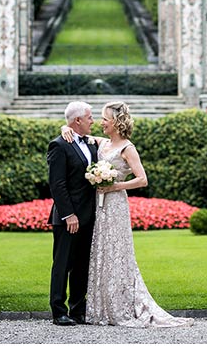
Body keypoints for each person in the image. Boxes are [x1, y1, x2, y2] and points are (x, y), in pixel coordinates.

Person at [62, 101, 193, 327]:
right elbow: (76, 132)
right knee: (100, 252)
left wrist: (115, 186)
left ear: (115, 122)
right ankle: (100, 307)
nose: (100, 122)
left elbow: (142, 179)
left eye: (104, 119)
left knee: (116, 252)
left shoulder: (127, 148)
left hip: (115, 205)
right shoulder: (102, 144)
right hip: (97, 205)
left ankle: (120, 306)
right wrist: (65, 128)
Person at [47, 101, 98, 326]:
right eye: (89, 117)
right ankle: (59, 311)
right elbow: (57, 184)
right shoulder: (59, 145)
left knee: (81, 265)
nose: (93, 121)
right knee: (62, 264)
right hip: (68, 218)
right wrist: (69, 215)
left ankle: (78, 310)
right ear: (77, 120)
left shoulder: (92, 143)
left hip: (89, 215)